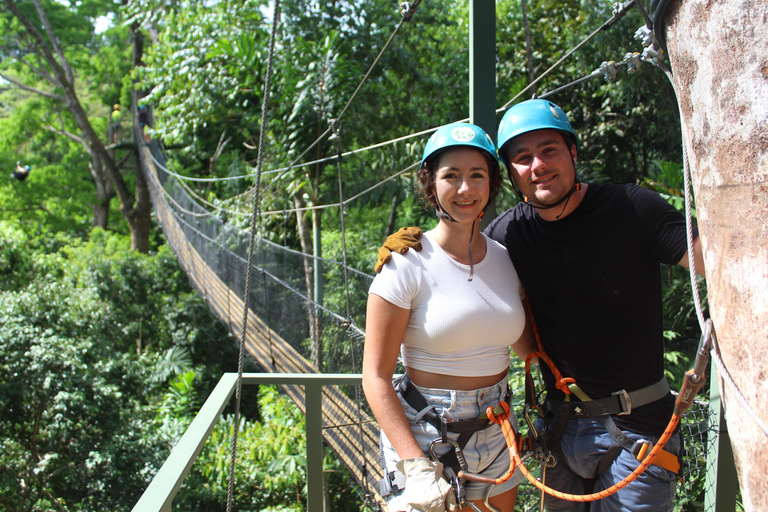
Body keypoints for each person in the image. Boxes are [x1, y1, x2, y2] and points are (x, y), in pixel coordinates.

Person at [375, 99, 706, 512]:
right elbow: (457, 261)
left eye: (549, 150)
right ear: (511, 174)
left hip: (636, 427)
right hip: (558, 429)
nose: (538, 165)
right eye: (522, 157)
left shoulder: (632, 208)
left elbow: (714, 261)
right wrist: (410, 250)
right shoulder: (507, 236)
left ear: (573, 152)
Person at [363, 122, 537, 512]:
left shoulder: (506, 260)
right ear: (431, 185)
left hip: (495, 427)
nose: (465, 189)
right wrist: (415, 464)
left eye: (477, 176)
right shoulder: (406, 263)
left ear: (491, 184)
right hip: (425, 430)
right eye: (451, 176)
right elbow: (375, 377)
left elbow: (530, 349)